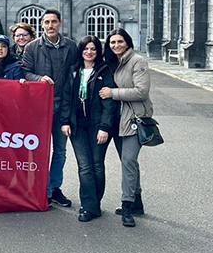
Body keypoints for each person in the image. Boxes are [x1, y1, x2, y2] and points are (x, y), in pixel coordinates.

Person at [21, 8, 77, 208]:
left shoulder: (71, 46)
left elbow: (76, 74)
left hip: (64, 106)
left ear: (60, 23)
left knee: (60, 150)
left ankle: (54, 188)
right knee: (40, 150)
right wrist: (39, 79)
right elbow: (25, 72)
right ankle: (40, 189)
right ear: (42, 24)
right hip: (41, 107)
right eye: (47, 22)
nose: (50, 26)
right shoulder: (32, 47)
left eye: (54, 22)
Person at [60, 36, 117, 222]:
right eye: (86, 49)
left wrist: (104, 127)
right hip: (77, 125)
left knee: (97, 166)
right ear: (81, 50)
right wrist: (65, 121)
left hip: (97, 125)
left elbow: (109, 103)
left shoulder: (104, 70)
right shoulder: (74, 71)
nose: (89, 52)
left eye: (93, 49)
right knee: (84, 166)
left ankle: (95, 203)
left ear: (98, 51)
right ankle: (88, 206)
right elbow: (67, 97)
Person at [100, 28, 153, 228]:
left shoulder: (137, 61)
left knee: (128, 160)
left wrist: (112, 93)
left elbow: (141, 91)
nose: (116, 46)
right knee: (128, 162)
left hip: (134, 119)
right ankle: (137, 200)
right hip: (116, 119)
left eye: (120, 42)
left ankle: (127, 205)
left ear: (127, 42)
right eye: (112, 42)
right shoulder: (111, 62)